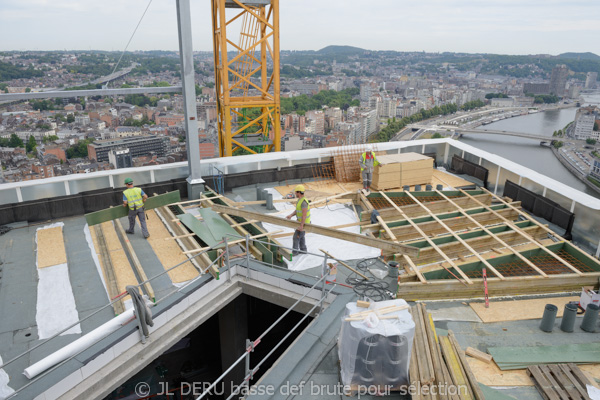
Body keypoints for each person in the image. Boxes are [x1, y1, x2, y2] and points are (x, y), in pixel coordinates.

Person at [286, 184, 311, 256]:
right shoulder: (300, 200)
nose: (295, 193)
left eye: (296, 192)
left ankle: (295, 252)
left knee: (296, 237)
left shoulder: (304, 202)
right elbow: (297, 210)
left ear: (299, 192)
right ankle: (303, 250)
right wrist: (291, 215)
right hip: (301, 222)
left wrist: (301, 226)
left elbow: (304, 215)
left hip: (304, 223)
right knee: (301, 236)